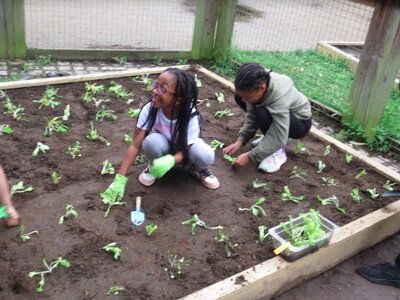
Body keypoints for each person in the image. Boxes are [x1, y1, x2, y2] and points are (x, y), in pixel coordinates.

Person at [101, 68, 220, 202]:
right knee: (150, 142)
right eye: (156, 85)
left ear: (178, 100)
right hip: (163, 148)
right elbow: (135, 145)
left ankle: (195, 168)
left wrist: (171, 160)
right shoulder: (150, 109)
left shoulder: (190, 116)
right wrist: (120, 179)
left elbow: (186, 150)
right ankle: (154, 165)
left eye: (162, 89)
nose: (155, 91)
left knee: (206, 155)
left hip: (183, 152)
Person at [223, 62, 312, 173]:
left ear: (263, 88)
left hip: (300, 122)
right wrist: (241, 140)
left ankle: (277, 153)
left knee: (263, 113)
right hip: (282, 116)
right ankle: (269, 139)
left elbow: (279, 136)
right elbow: (251, 115)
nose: (245, 100)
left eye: (249, 97)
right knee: (243, 99)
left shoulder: (278, 98)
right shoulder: (255, 80)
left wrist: (250, 157)